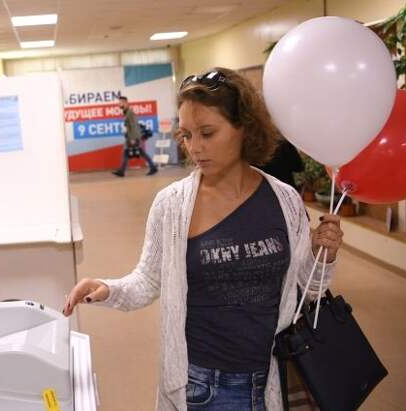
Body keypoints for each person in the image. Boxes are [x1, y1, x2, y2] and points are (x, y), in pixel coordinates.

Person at [64, 68, 343, 411]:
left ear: (244, 127)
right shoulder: (172, 205)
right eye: (186, 135)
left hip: (273, 379)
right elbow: (148, 280)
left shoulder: (284, 200)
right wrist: (107, 289)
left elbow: (307, 289)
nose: (195, 148)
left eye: (207, 133)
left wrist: (322, 255)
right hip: (204, 388)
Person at [113, 96, 158, 177]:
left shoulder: (130, 113)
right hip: (131, 137)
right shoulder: (127, 112)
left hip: (133, 137)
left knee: (139, 152)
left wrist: (133, 138)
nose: (119, 104)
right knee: (128, 152)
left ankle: (153, 167)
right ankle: (122, 171)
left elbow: (134, 126)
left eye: (120, 103)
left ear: (125, 103)